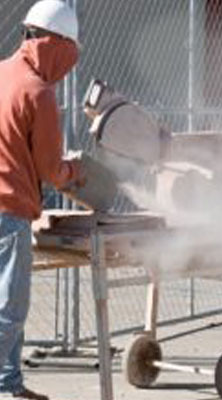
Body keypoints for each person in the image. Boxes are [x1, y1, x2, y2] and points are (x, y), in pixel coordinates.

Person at [0, 1, 85, 399]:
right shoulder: (39, 93)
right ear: (56, 45)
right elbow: (51, 170)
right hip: (9, 212)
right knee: (9, 311)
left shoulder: (1, 74)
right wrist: (75, 172)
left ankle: (10, 384)